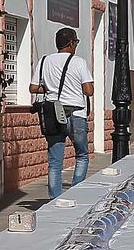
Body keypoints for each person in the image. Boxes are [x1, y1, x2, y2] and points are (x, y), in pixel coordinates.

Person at [29, 27, 93, 199]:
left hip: (53, 114)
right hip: (76, 114)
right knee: (81, 155)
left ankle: (54, 199)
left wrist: (51, 88)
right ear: (71, 43)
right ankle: (75, 194)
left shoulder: (44, 61)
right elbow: (89, 90)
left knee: (55, 161)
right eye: (76, 42)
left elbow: (33, 88)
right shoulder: (79, 62)